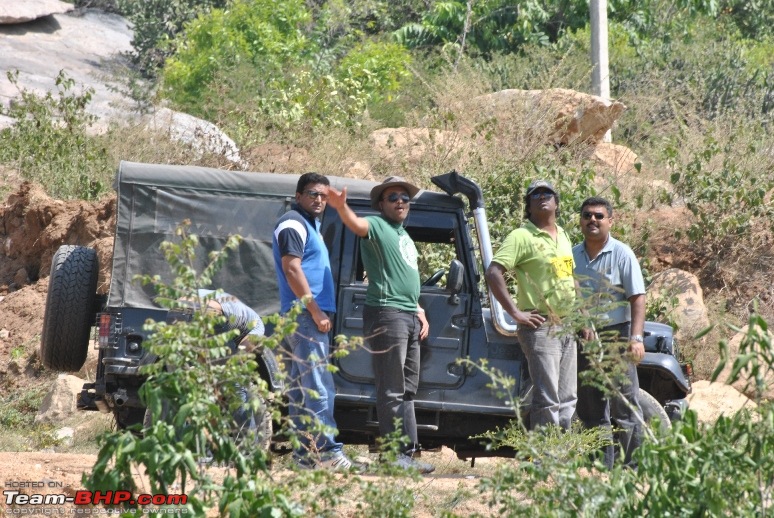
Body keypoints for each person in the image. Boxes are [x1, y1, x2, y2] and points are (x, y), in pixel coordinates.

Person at [327, 176, 435, 474]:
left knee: (407, 390)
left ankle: (407, 455)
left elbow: (404, 277)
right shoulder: (376, 225)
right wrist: (341, 207)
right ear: (381, 204)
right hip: (387, 314)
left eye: (405, 197)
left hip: (408, 315)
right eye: (393, 197)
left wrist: (419, 309)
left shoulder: (403, 235)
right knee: (391, 387)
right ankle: (392, 455)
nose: (400, 201)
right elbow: (357, 225)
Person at [272, 172, 354, 471]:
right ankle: (329, 454)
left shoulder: (310, 225)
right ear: (298, 196)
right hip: (306, 317)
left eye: (322, 195)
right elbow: (292, 269)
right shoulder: (293, 223)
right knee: (319, 386)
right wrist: (316, 311)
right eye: (311, 194)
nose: (318, 200)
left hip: (302, 317)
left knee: (300, 392)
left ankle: (306, 457)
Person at [484, 180, 577, 430]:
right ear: (528, 205)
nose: (542, 197)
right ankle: (544, 461)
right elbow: (494, 272)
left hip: (568, 326)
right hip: (542, 327)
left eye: (547, 193)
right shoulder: (521, 236)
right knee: (548, 399)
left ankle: (562, 459)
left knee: (568, 400)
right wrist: (515, 312)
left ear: (557, 202)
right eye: (535, 194)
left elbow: (572, 278)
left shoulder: (564, 235)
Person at [572, 196, 645, 469]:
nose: (593, 220)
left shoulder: (623, 254)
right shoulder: (571, 255)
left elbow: (637, 297)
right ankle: (599, 470)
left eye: (599, 216)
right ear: (580, 220)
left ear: (610, 221)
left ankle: (633, 471)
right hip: (584, 339)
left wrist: (636, 339)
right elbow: (569, 296)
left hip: (617, 336)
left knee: (625, 407)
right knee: (591, 409)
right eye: (588, 215)